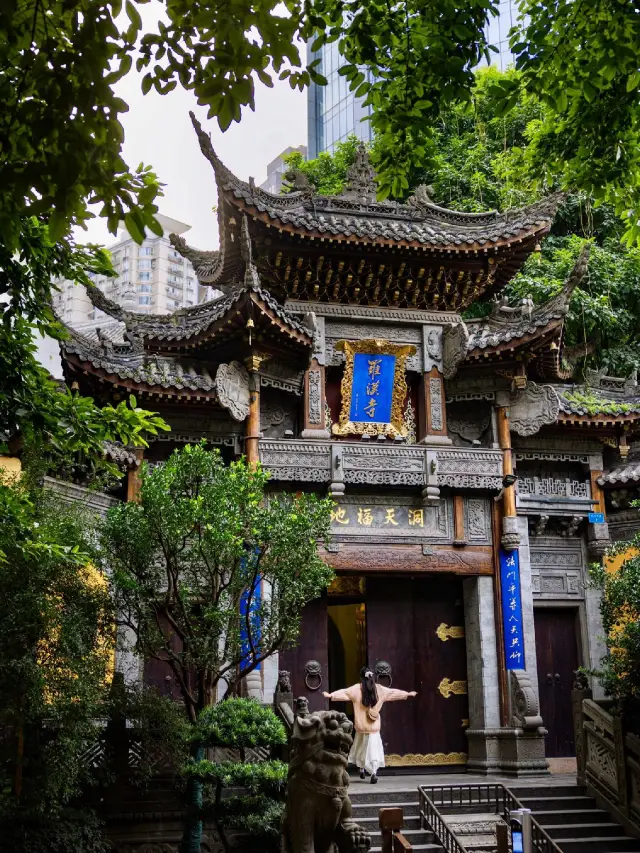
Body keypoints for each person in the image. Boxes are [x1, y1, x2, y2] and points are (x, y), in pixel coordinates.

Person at [323, 666, 417, 784]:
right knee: (373, 751)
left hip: (361, 727)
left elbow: (345, 693)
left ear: (361, 677)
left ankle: (361, 769)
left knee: (361, 748)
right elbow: (393, 692)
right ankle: (374, 773)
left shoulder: (356, 689)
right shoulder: (379, 689)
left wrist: (331, 695)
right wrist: (407, 694)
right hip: (373, 728)